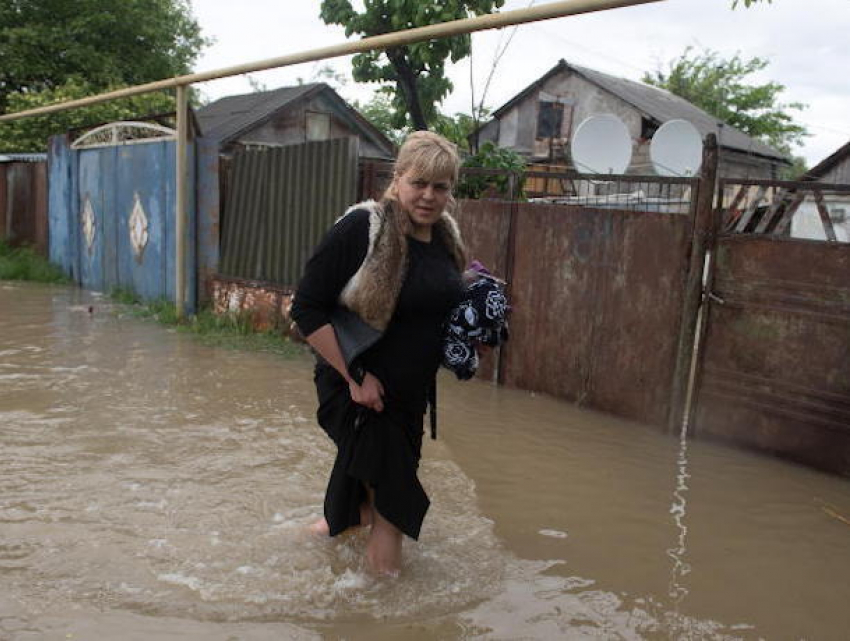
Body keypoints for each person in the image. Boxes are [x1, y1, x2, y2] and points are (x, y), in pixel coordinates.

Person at [290, 131, 468, 576]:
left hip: (408, 401)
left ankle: (290, 559)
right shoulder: (365, 226)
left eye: (441, 186)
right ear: (398, 177)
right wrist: (355, 378)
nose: (429, 196)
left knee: (354, 509)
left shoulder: (445, 237)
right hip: (359, 393)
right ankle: (382, 607)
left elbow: (431, 310)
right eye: (418, 183)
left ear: (451, 190)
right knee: (393, 506)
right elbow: (306, 309)